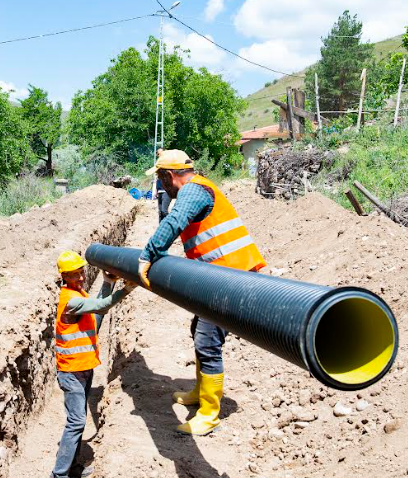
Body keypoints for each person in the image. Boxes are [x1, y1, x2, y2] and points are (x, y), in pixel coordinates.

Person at [137, 150, 266, 436]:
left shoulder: (194, 192)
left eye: (160, 179)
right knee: (199, 328)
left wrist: (148, 255)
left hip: (231, 278)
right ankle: (199, 391)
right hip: (217, 276)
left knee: (208, 341)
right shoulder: (198, 188)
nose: (160, 186)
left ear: (169, 176)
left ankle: (209, 413)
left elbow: (173, 222)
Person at [51, 251, 137, 478]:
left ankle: (74, 469)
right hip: (71, 372)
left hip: (83, 369)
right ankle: (59, 475)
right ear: (64, 276)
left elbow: (97, 316)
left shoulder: (78, 292)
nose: (80, 278)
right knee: (76, 421)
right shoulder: (71, 300)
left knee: (77, 422)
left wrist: (108, 281)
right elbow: (102, 305)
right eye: (74, 275)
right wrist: (125, 290)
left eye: (81, 272)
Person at [154, 148, 172, 221]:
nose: (159, 155)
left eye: (161, 153)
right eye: (158, 154)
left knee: (164, 211)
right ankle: (161, 228)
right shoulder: (158, 164)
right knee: (160, 212)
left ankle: (171, 225)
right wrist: (155, 190)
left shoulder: (169, 163)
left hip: (166, 191)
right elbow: (157, 179)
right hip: (160, 191)